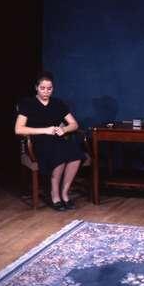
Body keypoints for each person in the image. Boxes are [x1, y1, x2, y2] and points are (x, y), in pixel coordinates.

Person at [15, 72, 85, 211]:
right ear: (36, 87)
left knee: (76, 155)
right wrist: (45, 130)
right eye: (42, 88)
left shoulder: (58, 103)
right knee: (59, 155)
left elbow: (74, 124)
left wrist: (64, 130)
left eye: (49, 88)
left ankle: (64, 193)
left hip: (57, 139)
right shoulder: (28, 103)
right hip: (38, 141)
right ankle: (55, 194)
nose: (46, 91)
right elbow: (18, 129)